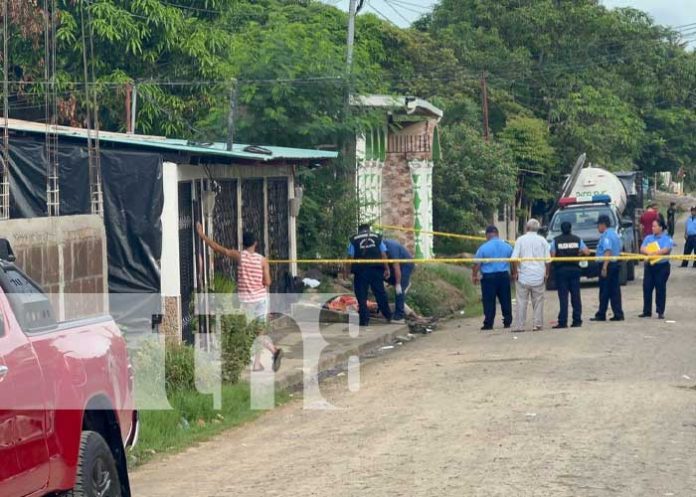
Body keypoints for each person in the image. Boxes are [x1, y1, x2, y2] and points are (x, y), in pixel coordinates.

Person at [196, 223, 283, 372]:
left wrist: (202, 235)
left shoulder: (239, 256)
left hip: (246, 301)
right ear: (255, 243)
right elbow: (267, 282)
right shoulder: (262, 260)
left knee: (251, 332)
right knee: (259, 331)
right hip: (260, 300)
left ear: (243, 243)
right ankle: (268, 355)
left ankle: (265, 357)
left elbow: (218, 248)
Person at [346, 224, 393, 326]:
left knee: (361, 296)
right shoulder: (377, 237)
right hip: (376, 269)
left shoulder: (353, 239)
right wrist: (387, 268)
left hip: (360, 271)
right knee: (380, 293)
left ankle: (364, 320)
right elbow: (383, 254)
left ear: (359, 231)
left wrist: (347, 271)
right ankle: (388, 316)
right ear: (368, 230)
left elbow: (350, 257)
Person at [511, 219, 550, 332]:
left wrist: (515, 272)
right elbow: (548, 260)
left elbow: (513, 259)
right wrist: (546, 274)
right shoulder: (543, 241)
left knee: (521, 301)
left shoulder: (520, 240)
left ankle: (519, 326)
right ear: (538, 229)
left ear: (527, 228)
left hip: (523, 277)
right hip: (538, 276)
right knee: (538, 301)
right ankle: (537, 324)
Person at [471, 225, 513, 331]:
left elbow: (477, 264)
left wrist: (474, 275)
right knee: (505, 299)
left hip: (489, 278)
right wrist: (514, 273)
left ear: (487, 235)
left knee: (489, 301)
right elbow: (513, 261)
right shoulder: (507, 246)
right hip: (503, 276)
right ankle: (507, 321)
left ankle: (488, 323)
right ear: (497, 234)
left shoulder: (483, 248)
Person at [549, 221, 590, 329]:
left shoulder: (556, 240)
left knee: (563, 297)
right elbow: (587, 252)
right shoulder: (577, 239)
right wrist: (577, 253)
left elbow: (552, 256)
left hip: (561, 271)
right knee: (576, 296)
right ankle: (577, 320)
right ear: (571, 228)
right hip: (574, 270)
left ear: (561, 229)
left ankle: (563, 322)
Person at [591, 215, 625, 322]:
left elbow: (607, 251)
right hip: (614, 264)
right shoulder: (614, 234)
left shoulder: (606, 236)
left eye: (598, 225)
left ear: (603, 225)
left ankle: (601, 314)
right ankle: (618, 313)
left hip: (608, 265)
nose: (597, 228)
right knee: (614, 290)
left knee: (605, 290)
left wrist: (604, 267)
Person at [640, 218, 674, 319]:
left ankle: (660, 311)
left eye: (655, 226)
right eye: (652, 226)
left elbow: (666, 249)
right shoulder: (648, 238)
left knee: (660, 288)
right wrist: (648, 252)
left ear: (661, 227)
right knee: (647, 288)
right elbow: (642, 248)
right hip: (650, 266)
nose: (652, 228)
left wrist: (653, 252)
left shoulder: (667, 238)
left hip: (661, 267)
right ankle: (647, 311)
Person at [383, 239, 415, 324]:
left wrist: (397, 284)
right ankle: (402, 283)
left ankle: (399, 316)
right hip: (394, 266)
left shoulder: (391, 249)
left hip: (406, 264)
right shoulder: (379, 248)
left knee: (399, 290)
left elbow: (396, 267)